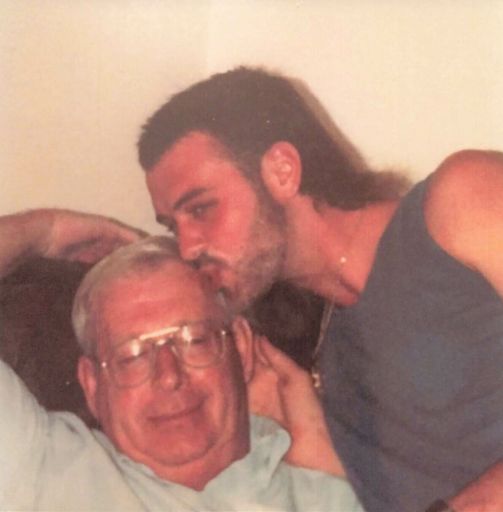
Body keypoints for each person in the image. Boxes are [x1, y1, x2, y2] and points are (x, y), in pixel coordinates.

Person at [136, 67, 503, 512]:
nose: (188, 247)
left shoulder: (459, 202)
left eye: (200, 209)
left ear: (282, 171)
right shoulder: (311, 356)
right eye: (173, 226)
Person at [0, 209, 362, 511]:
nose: (169, 375)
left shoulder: (323, 488)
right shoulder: (44, 469)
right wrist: (46, 233)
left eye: (194, 341)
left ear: (240, 347)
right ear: (92, 385)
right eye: (132, 356)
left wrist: (329, 466)